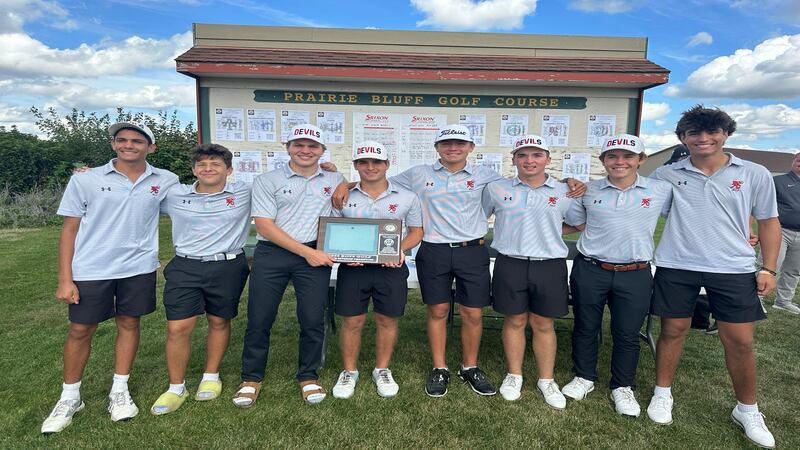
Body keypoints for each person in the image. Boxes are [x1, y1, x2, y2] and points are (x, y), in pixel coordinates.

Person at [332, 125, 585, 398]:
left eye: (460, 143)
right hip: (433, 249)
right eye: (446, 143)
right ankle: (439, 367)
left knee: (472, 313)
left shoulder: (489, 178)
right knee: (438, 311)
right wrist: (343, 183)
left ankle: (470, 366)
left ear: (471, 148)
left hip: (472, 251)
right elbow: (376, 179)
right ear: (437, 148)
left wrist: (568, 180)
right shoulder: (418, 174)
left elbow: (531, 179)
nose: (453, 148)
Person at [646, 105, 780, 449]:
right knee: (672, 331)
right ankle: (663, 393)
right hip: (677, 264)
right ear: (682, 138)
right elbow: (641, 204)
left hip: (734, 267)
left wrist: (768, 267)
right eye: (694, 133)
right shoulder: (666, 175)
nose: (704, 139)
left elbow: (767, 221)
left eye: (712, 132)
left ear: (726, 134)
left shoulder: (754, 173)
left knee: (740, 341)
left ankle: (747, 409)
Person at [42, 122, 178, 433]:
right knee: (80, 329)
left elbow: (194, 199)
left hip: (139, 267)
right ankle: (70, 397)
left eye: (137, 141)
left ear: (151, 148)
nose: (129, 145)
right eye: (122, 140)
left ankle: (119, 390)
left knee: (129, 324)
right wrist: (65, 278)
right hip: (91, 267)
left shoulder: (166, 180)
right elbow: (70, 230)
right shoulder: (86, 180)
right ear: (114, 144)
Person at [560, 134, 672, 417]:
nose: (619, 162)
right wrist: (566, 182)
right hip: (591, 268)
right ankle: (584, 377)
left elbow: (691, 214)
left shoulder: (660, 189)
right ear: (603, 161)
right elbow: (574, 222)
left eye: (628, 156)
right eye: (612, 156)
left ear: (641, 160)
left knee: (627, 333)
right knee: (585, 326)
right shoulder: (587, 190)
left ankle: (623, 386)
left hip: (635, 272)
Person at [234, 124, 344, 407]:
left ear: (321, 151)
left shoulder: (334, 177)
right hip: (273, 254)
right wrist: (306, 254)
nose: (305, 150)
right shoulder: (267, 180)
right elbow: (264, 226)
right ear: (288, 148)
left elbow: (355, 188)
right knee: (260, 318)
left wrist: (346, 181)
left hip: (313, 253)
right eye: (299, 144)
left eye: (313, 146)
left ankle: (308, 376)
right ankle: (251, 378)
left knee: (312, 318)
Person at [150, 144, 251, 415]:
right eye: (202, 164)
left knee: (219, 320)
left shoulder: (244, 192)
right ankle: (176, 387)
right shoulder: (174, 194)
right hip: (185, 266)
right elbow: (136, 194)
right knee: (177, 327)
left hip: (228, 265)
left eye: (215, 164)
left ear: (228, 170)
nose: (208, 168)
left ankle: (211, 376)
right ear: (194, 169)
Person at [482, 135, 580, 406]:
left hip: (549, 265)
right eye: (523, 155)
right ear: (513, 159)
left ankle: (546, 380)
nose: (529, 161)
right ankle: (515, 374)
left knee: (543, 324)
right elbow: (476, 215)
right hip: (510, 262)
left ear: (548, 159)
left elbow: (578, 223)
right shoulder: (496, 188)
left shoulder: (564, 191)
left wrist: (548, 232)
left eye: (536, 155)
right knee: (514, 321)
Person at [330, 141, 423, 399]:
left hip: (390, 268)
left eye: (376, 162)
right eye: (363, 162)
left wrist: (400, 250)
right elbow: (333, 231)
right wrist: (343, 255)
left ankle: (382, 369)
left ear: (387, 165)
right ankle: (349, 371)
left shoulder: (406, 196)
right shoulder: (342, 196)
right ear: (356, 165)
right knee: (352, 320)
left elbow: (417, 231)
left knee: (387, 319)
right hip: (354, 269)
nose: (370, 166)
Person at [770, 151, 800, 314]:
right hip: (780, 230)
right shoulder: (778, 181)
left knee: (794, 270)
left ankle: (783, 301)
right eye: (798, 159)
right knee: (769, 265)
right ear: (793, 161)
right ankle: (755, 297)